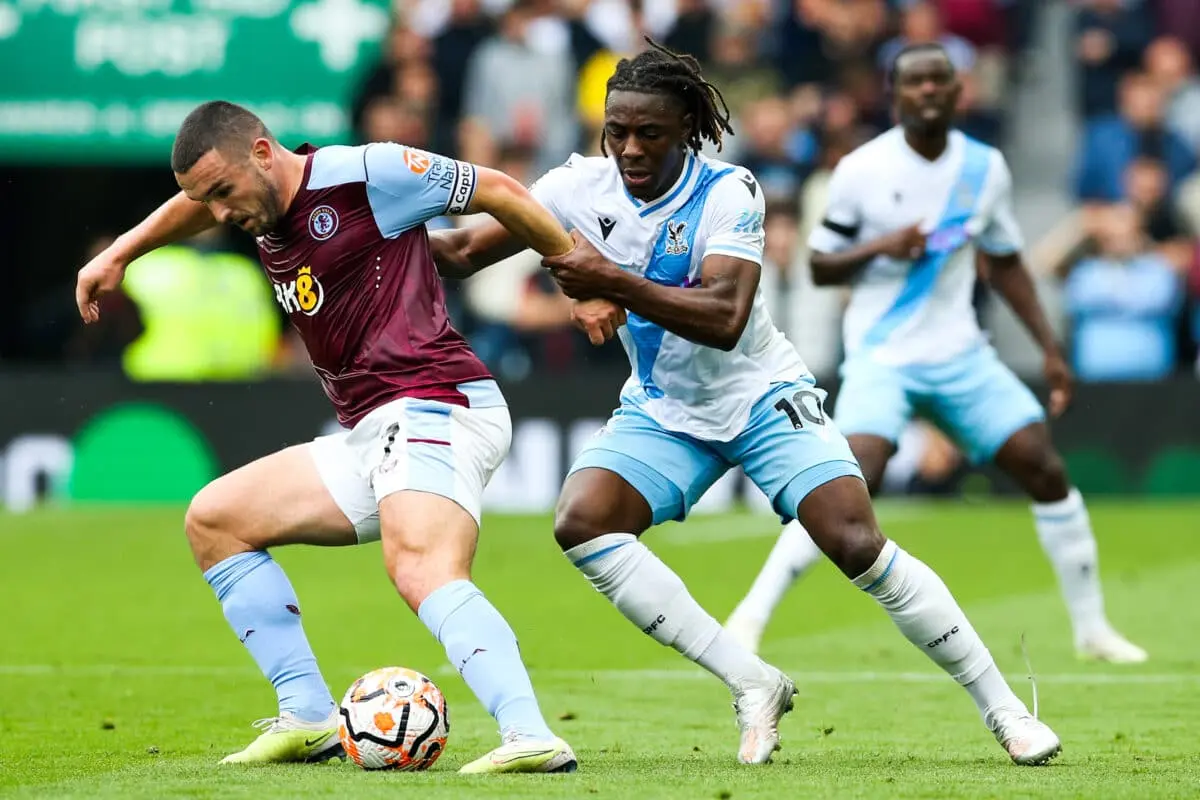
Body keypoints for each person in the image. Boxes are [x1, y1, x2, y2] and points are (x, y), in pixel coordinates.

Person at [430, 39, 1061, 766]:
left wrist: (608, 281)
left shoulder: (730, 191)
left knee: (855, 542)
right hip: (665, 407)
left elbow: (725, 316)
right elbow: (464, 251)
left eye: (650, 134)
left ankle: (1005, 710)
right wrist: (368, 216)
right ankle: (751, 680)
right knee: (582, 522)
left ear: (688, 129)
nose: (629, 149)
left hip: (761, 395)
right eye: (617, 131)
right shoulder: (577, 186)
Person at [74, 101, 581, 774]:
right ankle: (309, 716)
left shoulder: (365, 173)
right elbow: (194, 203)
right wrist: (120, 253)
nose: (219, 215)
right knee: (215, 520)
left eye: (224, 193)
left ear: (262, 152)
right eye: (207, 200)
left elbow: (500, 190)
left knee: (420, 566)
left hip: (438, 401)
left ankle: (530, 734)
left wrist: (581, 276)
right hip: (370, 429)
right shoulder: (246, 197)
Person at [724, 43, 1147, 668]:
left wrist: (1050, 351)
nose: (927, 91)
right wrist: (884, 246)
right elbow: (818, 265)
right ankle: (749, 617)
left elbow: (1003, 263)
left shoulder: (985, 169)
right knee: (848, 479)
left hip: (959, 354)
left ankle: (1091, 628)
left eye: (938, 81)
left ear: (958, 93)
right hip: (882, 354)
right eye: (914, 82)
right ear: (894, 94)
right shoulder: (863, 170)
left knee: (1043, 467)